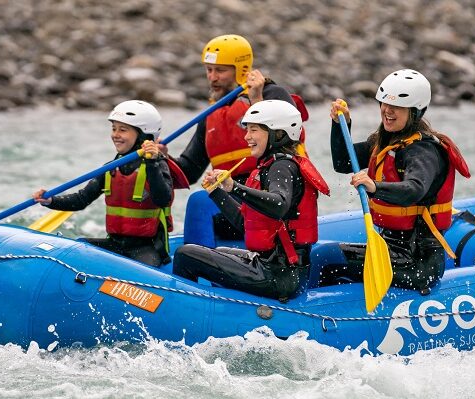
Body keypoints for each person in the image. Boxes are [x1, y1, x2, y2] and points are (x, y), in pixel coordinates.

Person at [323, 69, 471, 293]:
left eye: (397, 107)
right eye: (383, 103)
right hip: (391, 250)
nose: (387, 111)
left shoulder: (423, 150)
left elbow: (415, 189)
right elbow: (343, 163)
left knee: (328, 259)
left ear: (415, 111)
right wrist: (340, 124)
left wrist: (375, 187)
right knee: (325, 255)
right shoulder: (384, 141)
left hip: (418, 262)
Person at [172, 100, 330, 301]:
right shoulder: (269, 167)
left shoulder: (282, 167)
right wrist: (216, 192)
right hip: (274, 268)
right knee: (218, 252)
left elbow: (279, 205)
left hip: (278, 276)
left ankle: (189, 312)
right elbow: (243, 222)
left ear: (278, 133)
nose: (246, 137)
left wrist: (234, 187)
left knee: (186, 255)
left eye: (254, 130)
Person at [159, 34, 307, 241]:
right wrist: (161, 158)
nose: (212, 77)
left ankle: (197, 269)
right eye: (209, 70)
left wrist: (256, 101)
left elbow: (292, 138)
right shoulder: (213, 114)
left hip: (273, 199)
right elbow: (189, 171)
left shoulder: (273, 94)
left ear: (242, 70)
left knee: (199, 202)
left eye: (220, 70)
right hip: (233, 203)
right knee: (204, 198)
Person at [33, 100, 186, 267]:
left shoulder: (157, 165)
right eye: (114, 129)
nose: (115, 135)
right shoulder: (111, 168)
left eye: (123, 130)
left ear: (143, 136)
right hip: (114, 245)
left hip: (145, 248)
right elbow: (82, 199)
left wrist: (152, 163)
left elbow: (162, 199)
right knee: (76, 249)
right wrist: (51, 201)